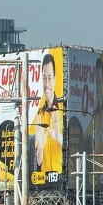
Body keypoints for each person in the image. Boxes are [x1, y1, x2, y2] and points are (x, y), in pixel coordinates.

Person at [29, 51, 63, 185]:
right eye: (44, 77)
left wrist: (57, 136)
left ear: (54, 79)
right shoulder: (39, 115)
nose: (46, 83)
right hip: (44, 180)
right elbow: (38, 161)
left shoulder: (64, 109)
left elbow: (75, 150)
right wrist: (41, 146)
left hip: (62, 177)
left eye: (49, 77)